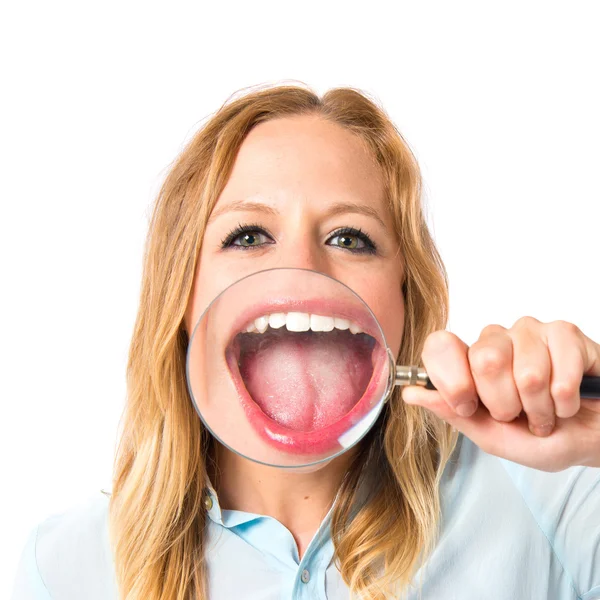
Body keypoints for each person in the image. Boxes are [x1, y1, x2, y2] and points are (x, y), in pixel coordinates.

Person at [11, 83, 600, 600]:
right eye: (247, 235)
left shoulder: (556, 498)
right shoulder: (65, 570)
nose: (300, 267)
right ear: (183, 299)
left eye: (350, 237)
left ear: (404, 303)